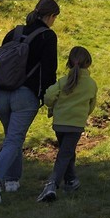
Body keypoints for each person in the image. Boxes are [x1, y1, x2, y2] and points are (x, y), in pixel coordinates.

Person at [0, 0, 60, 203]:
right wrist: (49, 99)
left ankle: (11, 182)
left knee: (11, 139)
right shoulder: (47, 37)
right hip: (25, 96)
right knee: (14, 139)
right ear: (51, 16)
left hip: (0, 94)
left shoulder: (13, 33)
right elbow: (49, 71)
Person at [38, 46, 97, 202]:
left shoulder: (62, 81)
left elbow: (49, 97)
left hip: (59, 124)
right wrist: (83, 114)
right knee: (65, 154)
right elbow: (91, 105)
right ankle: (51, 185)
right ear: (88, 63)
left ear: (69, 63)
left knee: (67, 151)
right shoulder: (91, 84)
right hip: (76, 125)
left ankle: (71, 180)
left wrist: (52, 107)